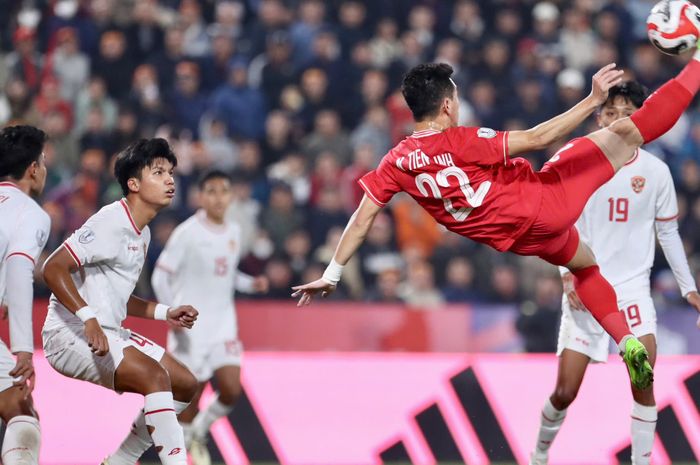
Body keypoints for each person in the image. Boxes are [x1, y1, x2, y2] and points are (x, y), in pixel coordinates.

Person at [292, 50, 700, 392]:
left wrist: (332, 273)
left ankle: (626, 341)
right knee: (628, 133)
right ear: (448, 105)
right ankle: (697, 63)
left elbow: (362, 218)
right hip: (546, 203)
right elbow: (540, 137)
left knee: (585, 265)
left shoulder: (395, 162)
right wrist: (592, 101)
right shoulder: (461, 140)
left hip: (521, 240)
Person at [529, 81, 700, 465]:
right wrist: (565, 273)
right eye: (611, 113)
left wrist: (689, 289)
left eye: (628, 114)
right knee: (565, 392)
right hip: (586, 284)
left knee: (644, 377)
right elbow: (558, 221)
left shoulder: (656, 172)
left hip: (633, 290)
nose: (619, 121)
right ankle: (538, 454)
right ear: (598, 117)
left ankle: (642, 461)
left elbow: (668, 232)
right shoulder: (579, 160)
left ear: (640, 119)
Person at [41, 138, 200, 465]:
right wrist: (88, 318)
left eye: (170, 172)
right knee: (156, 377)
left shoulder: (142, 233)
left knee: (185, 384)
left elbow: (119, 298)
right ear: (134, 184)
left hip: (106, 328)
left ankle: (119, 461)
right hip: (68, 332)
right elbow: (53, 267)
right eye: (158, 172)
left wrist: (165, 312)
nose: (170, 179)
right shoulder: (111, 221)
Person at [151, 170, 269, 465]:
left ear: (230, 196)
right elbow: (159, 277)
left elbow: (226, 275)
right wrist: (170, 313)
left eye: (224, 191)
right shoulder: (187, 233)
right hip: (191, 329)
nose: (219, 197)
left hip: (224, 325)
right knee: (190, 398)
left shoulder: (233, 231)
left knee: (231, 390)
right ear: (201, 197)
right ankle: (181, 451)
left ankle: (197, 433)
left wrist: (249, 283)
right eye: (212, 191)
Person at [0, 125, 50, 465]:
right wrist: (23, 349)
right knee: (22, 415)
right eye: (43, 161)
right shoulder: (30, 212)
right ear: (33, 169)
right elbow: (19, 270)